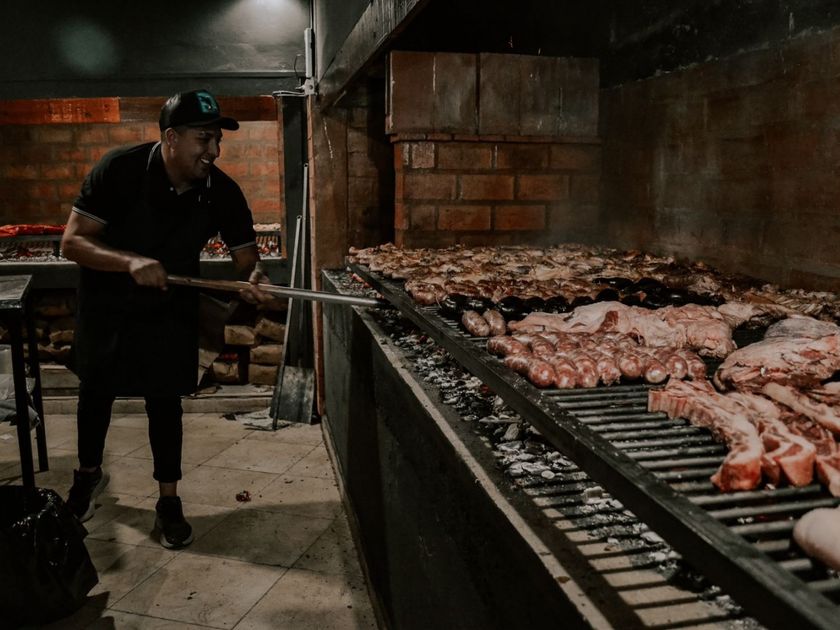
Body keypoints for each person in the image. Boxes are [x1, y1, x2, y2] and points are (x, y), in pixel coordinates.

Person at [61, 89, 272, 548]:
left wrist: (253, 278)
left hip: (169, 307)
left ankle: (168, 500)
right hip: (107, 304)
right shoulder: (120, 170)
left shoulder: (221, 191)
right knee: (95, 392)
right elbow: (72, 242)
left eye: (217, 140)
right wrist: (131, 262)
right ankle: (88, 475)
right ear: (172, 138)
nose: (214, 151)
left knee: (164, 400)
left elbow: (246, 258)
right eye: (204, 139)